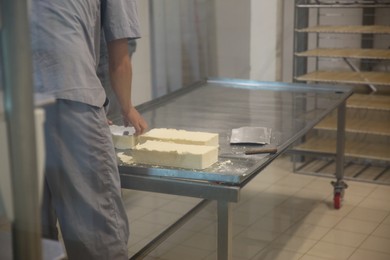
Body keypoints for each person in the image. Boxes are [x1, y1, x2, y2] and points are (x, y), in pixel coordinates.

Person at [30, 0, 148, 259]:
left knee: (31, 234)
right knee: (95, 232)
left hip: (13, 94)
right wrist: (126, 108)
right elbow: (119, 55)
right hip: (70, 92)